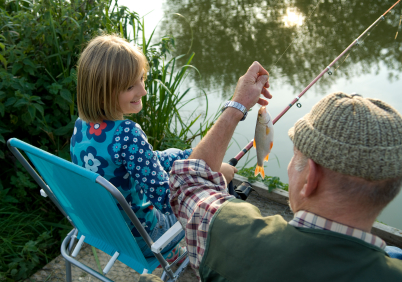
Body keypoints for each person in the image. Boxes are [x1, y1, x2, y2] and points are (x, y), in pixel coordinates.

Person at [141, 61, 402, 281]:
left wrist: (238, 105)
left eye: (295, 156)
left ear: (310, 178)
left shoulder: (232, 233)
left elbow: (188, 181)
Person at [70, 34, 235, 259]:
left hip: (107, 231)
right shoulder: (127, 133)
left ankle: (189, 159)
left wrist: (189, 158)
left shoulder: (82, 127)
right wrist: (215, 175)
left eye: (142, 79)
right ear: (102, 93)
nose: (143, 91)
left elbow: (140, 161)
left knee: (169, 155)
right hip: (148, 238)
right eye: (130, 86)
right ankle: (214, 256)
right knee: (220, 177)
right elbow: (169, 200)